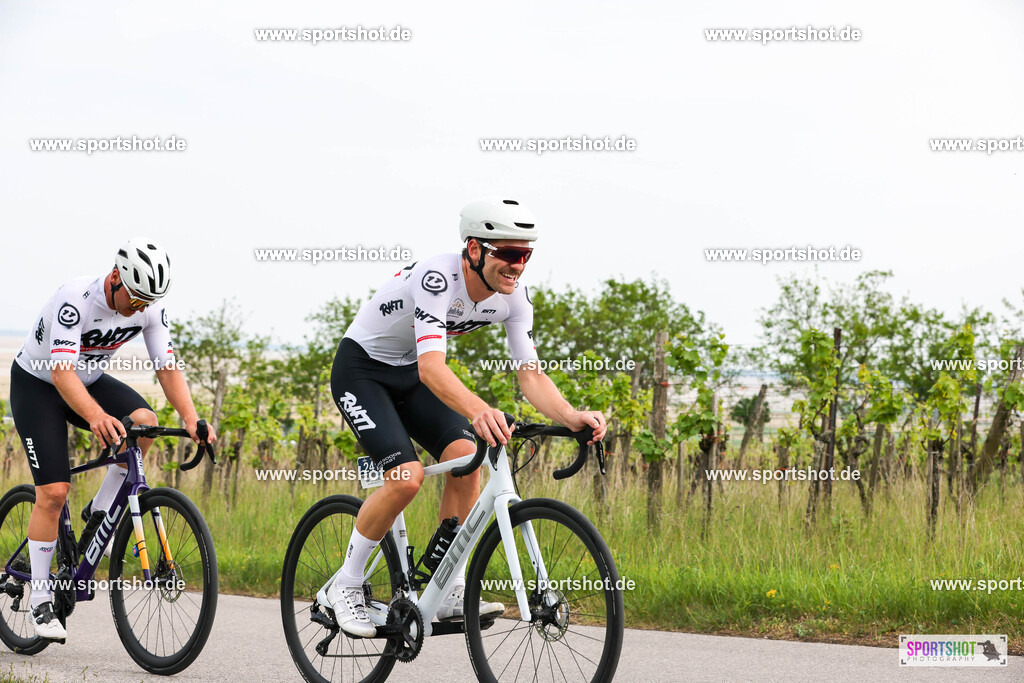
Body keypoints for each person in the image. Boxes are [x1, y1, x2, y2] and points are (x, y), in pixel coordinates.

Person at [319, 197, 607, 636]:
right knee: (407, 477)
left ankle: (449, 586)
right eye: (508, 254)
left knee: (467, 458)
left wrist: (570, 416)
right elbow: (433, 367)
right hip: (362, 370)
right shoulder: (438, 279)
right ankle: (346, 584)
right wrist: (479, 409)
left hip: (410, 375)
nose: (518, 265)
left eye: (526, 255)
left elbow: (530, 375)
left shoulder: (514, 298)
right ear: (474, 250)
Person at [9, 238, 217, 640]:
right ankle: (40, 600)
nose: (140, 308)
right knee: (52, 492)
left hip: (85, 380)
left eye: (147, 302)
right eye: (136, 299)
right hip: (40, 384)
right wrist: (96, 415)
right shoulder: (76, 299)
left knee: (144, 422)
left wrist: (192, 419)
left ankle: (99, 513)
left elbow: (167, 366)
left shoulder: (148, 305)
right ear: (117, 277)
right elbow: (61, 373)